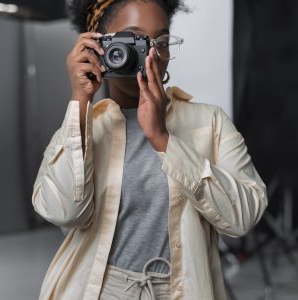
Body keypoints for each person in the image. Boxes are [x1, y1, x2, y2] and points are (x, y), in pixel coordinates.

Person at [31, 0, 268, 299]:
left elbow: (243, 218)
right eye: (135, 40)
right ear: (99, 47)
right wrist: (80, 100)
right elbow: (63, 212)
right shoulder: (81, 126)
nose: (151, 55)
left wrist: (163, 139)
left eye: (161, 41)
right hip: (101, 290)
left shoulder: (209, 123)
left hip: (183, 289)